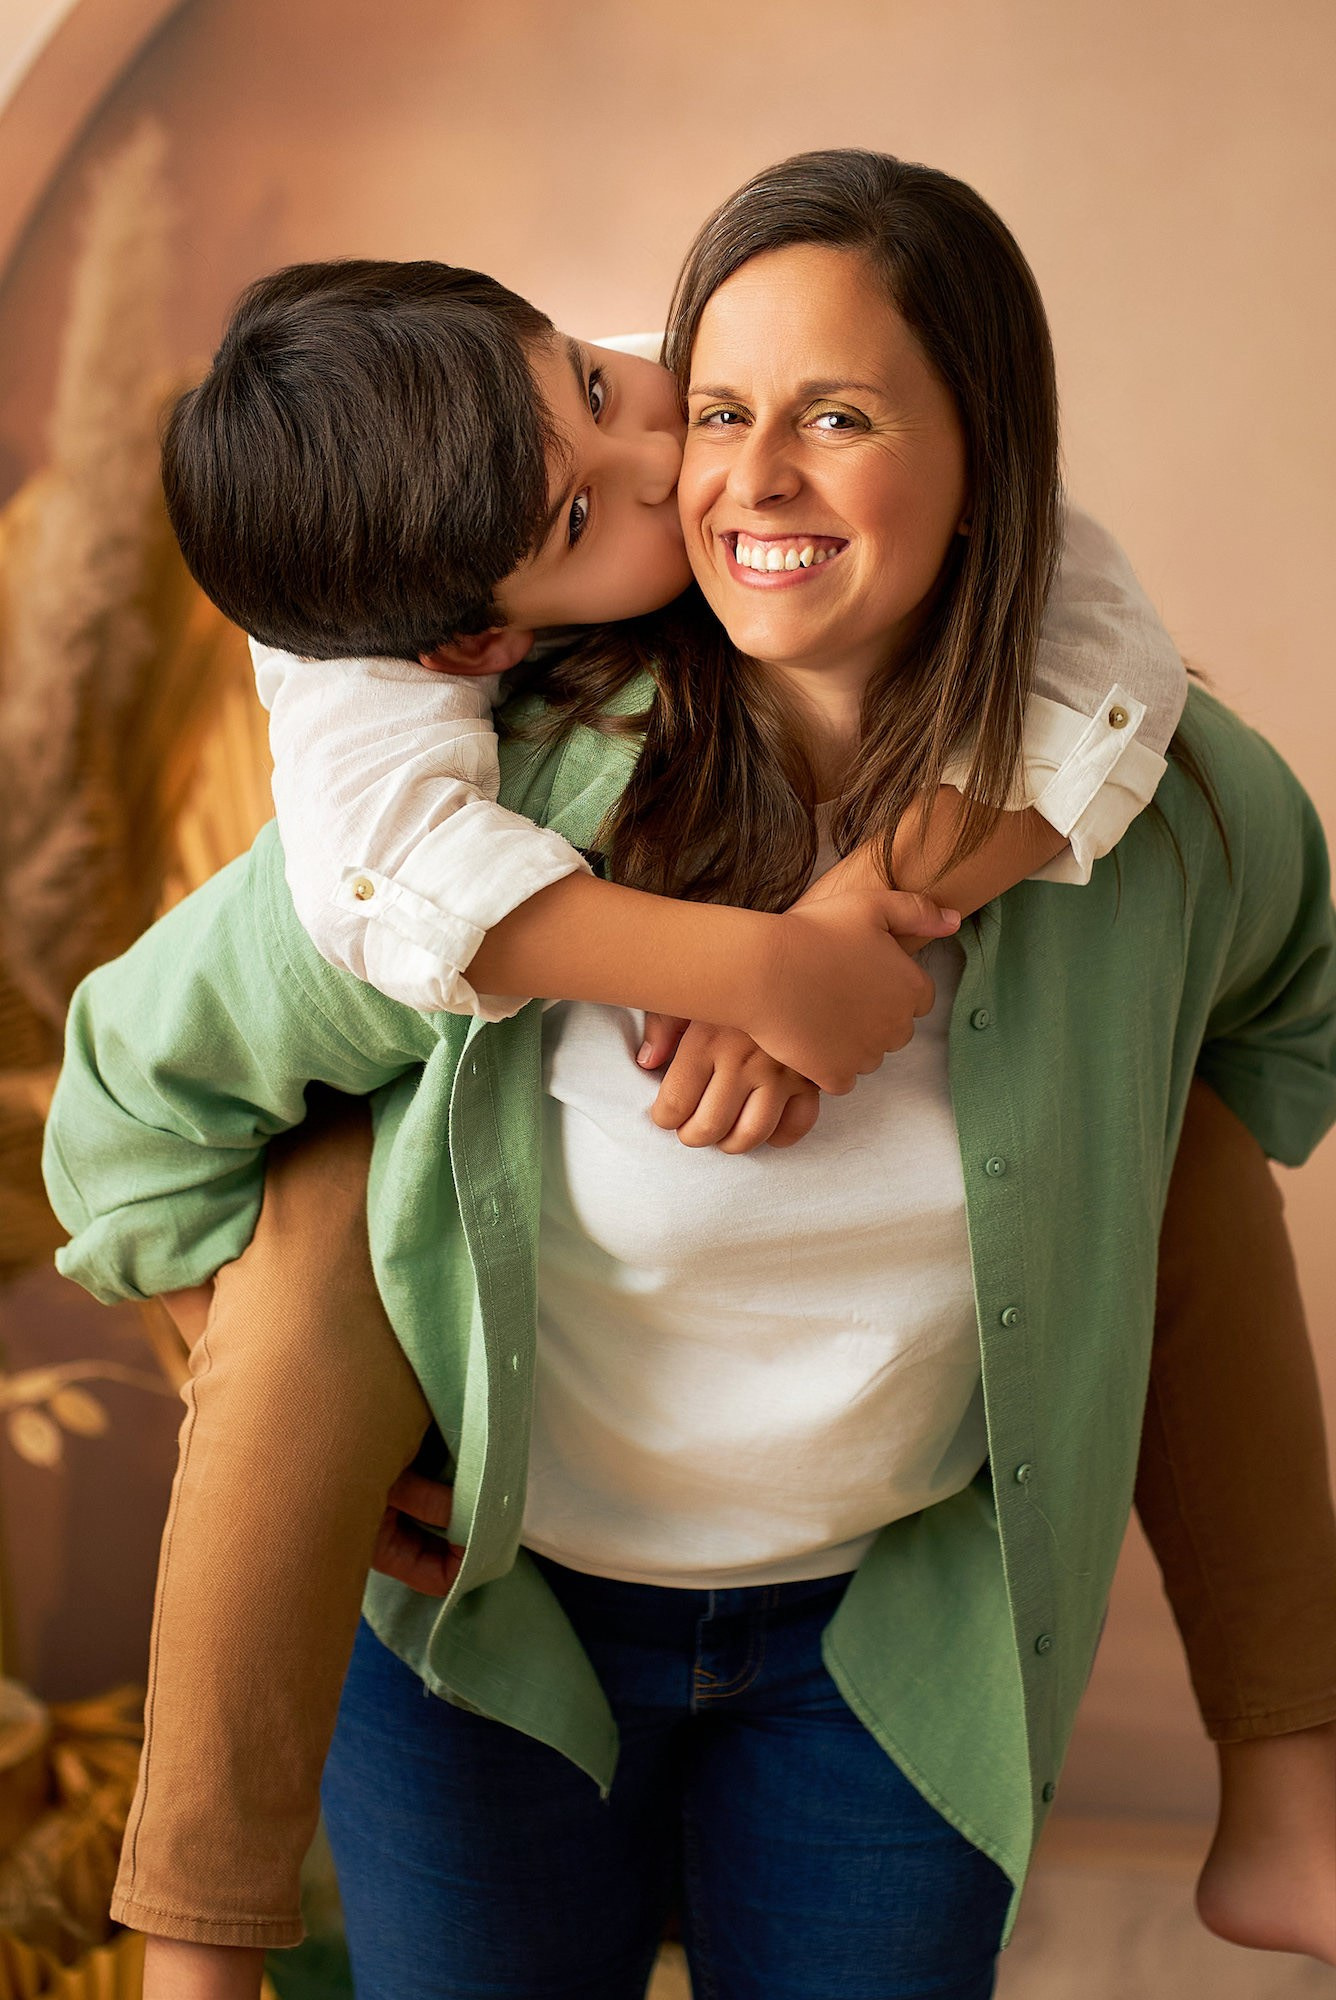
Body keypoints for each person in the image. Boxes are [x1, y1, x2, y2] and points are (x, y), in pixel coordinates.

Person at [42, 153, 1336, 1998]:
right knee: (315, 1251)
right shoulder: (483, 811)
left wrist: (919, 902)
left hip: (890, 1647)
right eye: (724, 408)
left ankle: (1294, 1768)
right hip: (491, 1637)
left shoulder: (1157, 797)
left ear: (988, 458)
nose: (720, 470)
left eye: (839, 415)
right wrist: (274, 1398)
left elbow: (1278, 1014)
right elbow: (137, 1098)